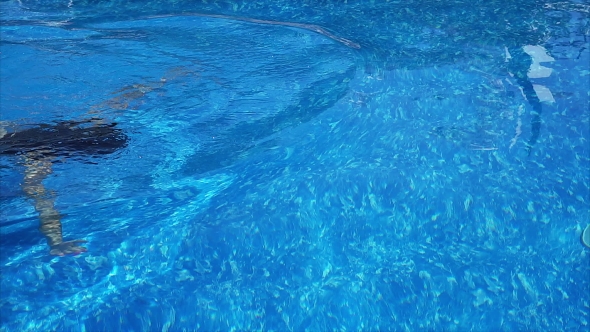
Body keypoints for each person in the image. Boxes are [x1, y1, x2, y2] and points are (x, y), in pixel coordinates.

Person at [0, 118, 128, 256]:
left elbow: (44, 203)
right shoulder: (35, 158)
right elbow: (43, 203)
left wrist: (56, 241)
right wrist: (55, 241)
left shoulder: (36, 159)